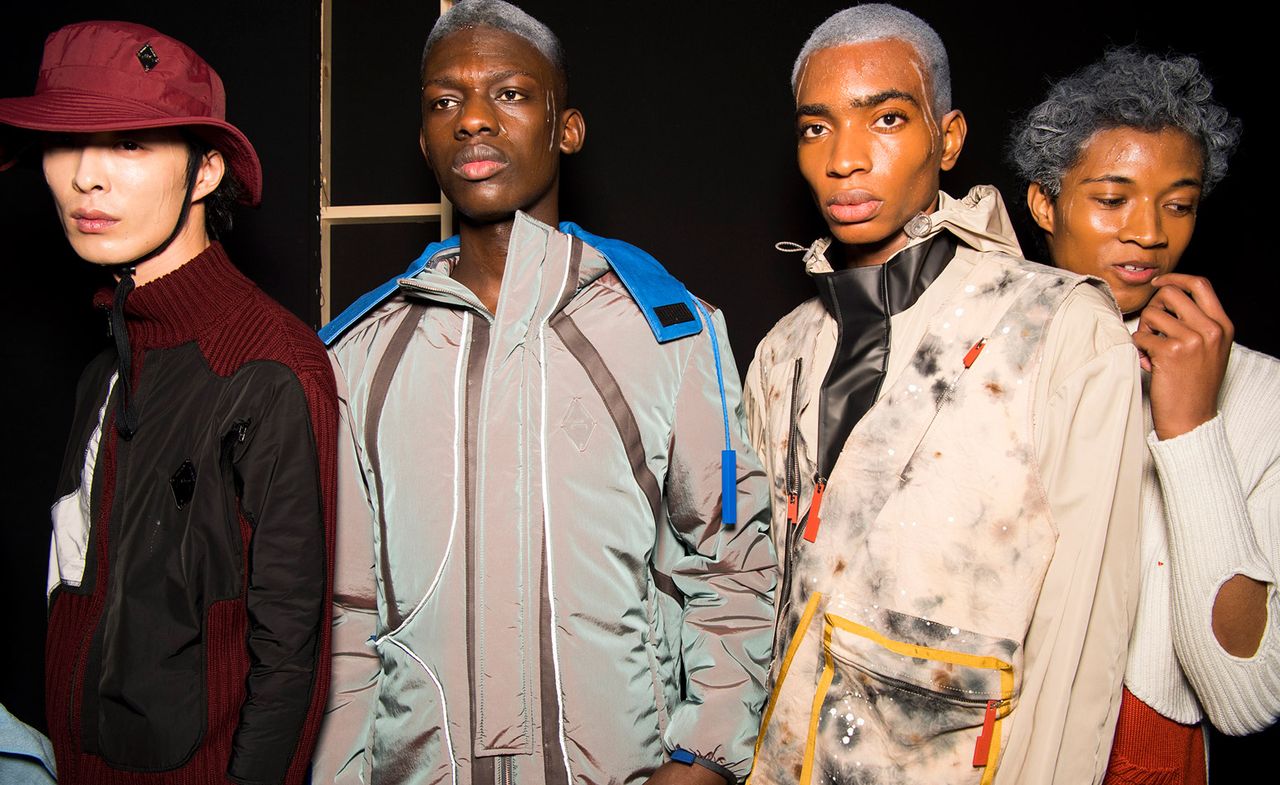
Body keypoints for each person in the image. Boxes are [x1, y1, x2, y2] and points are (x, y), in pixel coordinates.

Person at [312, 2, 777, 784]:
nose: (472, 121)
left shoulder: (672, 330)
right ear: (424, 138)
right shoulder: (356, 355)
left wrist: (704, 756)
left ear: (569, 129)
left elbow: (734, 560)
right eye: (444, 101)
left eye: (512, 94)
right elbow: (347, 612)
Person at [744, 5, 1145, 784]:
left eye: (886, 118)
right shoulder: (785, 349)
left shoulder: (1060, 331)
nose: (846, 158)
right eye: (815, 128)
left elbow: (1082, 644)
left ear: (948, 138)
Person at [0, 21, 337, 785]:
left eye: (129, 143)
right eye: (64, 142)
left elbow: (290, 658)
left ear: (208, 170)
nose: (87, 176)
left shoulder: (269, 365)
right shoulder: (107, 366)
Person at [1011, 48, 1280, 784]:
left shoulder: (1260, 393)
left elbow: (1244, 697)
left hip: (1146, 757)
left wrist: (1192, 428)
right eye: (1113, 197)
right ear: (1044, 202)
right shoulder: (985, 358)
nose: (1149, 232)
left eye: (1178, 202)